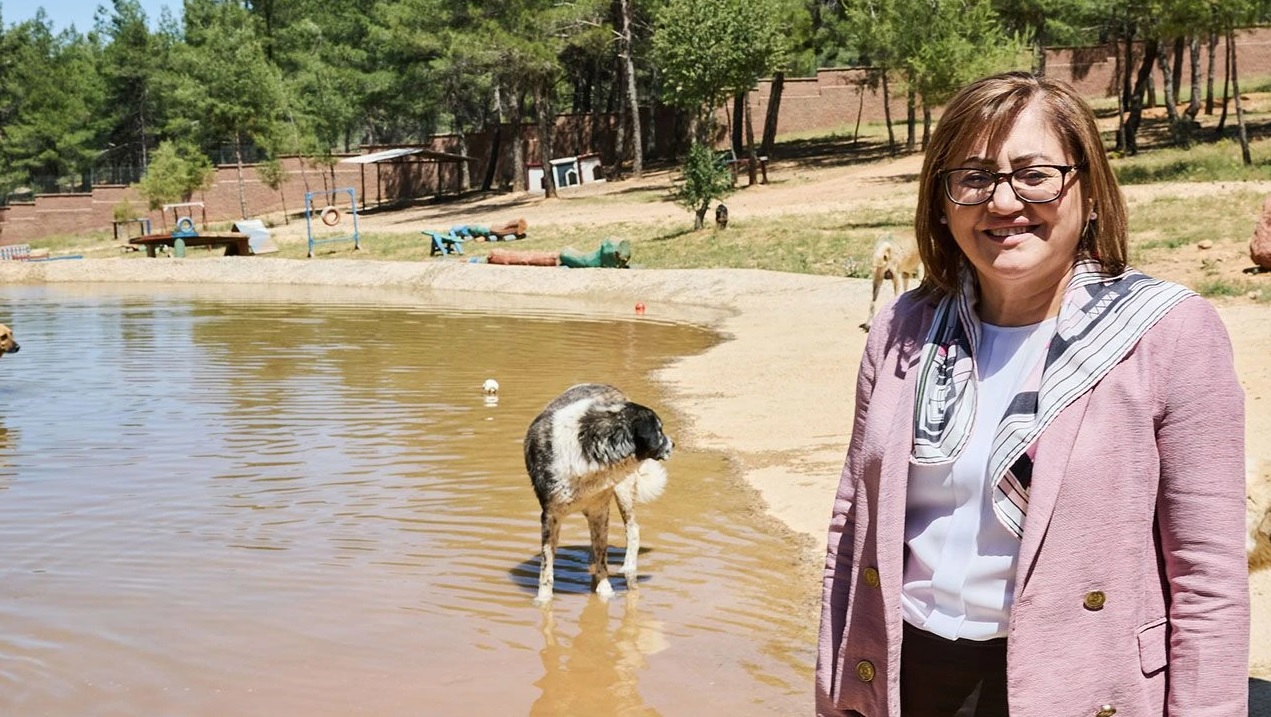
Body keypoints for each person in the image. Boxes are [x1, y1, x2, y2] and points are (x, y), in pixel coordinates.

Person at [815, 71, 1249, 717]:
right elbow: (850, 527)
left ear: (1089, 191)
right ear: (942, 201)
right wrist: (835, 691)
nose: (1002, 201)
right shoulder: (903, 327)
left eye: (1035, 174)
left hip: (1075, 679)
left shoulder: (1167, 333)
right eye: (972, 177)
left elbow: (1206, 577)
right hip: (907, 677)